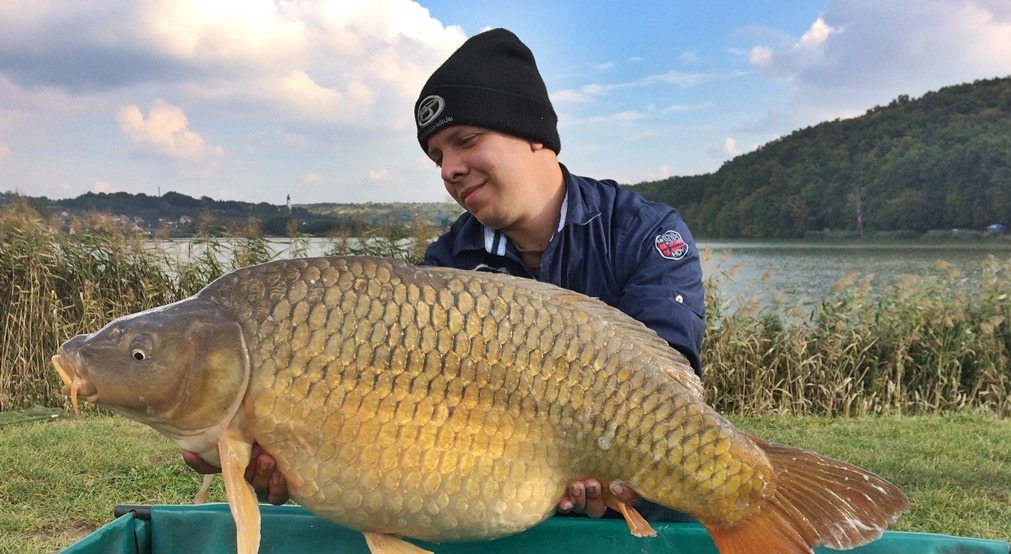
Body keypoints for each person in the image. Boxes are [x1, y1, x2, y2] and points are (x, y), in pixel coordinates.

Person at [184, 28, 706, 523]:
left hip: (652, 514)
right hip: (504, 518)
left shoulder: (642, 231)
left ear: (533, 136)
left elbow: (669, 386)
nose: (449, 169)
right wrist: (301, 458)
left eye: (467, 140)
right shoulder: (446, 268)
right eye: (437, 156)